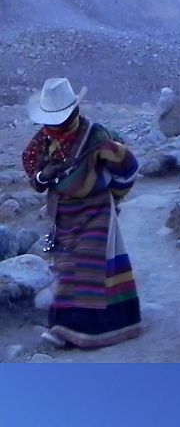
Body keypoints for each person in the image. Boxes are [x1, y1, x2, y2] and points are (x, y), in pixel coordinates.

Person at [21, 77, 141, 348]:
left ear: (73, 112)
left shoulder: (95, 136)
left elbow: (128, 166)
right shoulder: (45, 139)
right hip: (64, 213)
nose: (52, 128)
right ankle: (65, 328)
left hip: (95, 210)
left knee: (90, 266)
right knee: (64, 268)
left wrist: (114, 198)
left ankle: (99, 330)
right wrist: (44, 174)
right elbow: (33, 172)